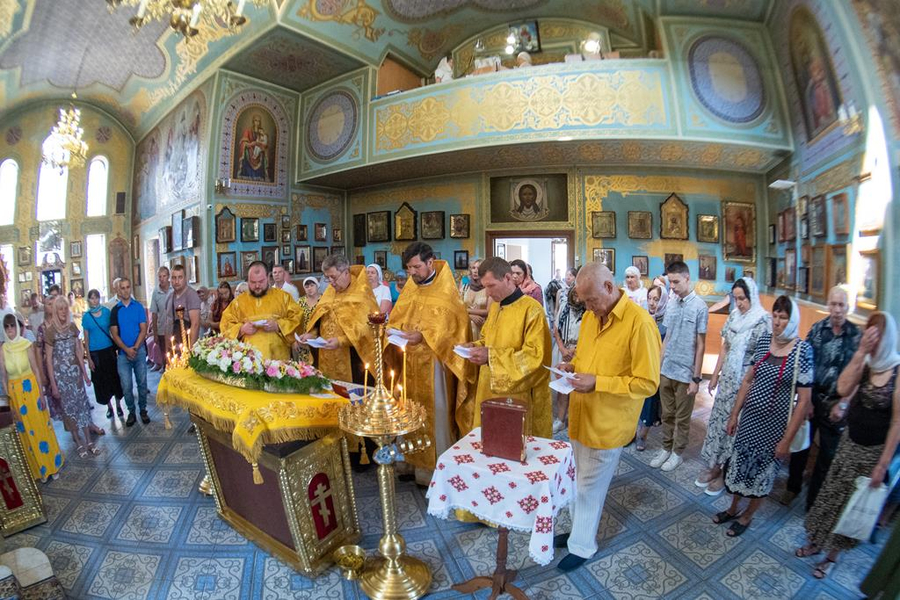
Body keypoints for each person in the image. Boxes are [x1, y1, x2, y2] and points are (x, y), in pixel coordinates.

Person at [554, 263, 661, 571]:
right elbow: (589, 361)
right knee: (576, 481)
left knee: (589, 488)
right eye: (584, 302)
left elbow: (647, 382)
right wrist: (573, 368)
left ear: (610, 288)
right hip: (581, 415)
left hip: (608, 422)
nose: (588, 308)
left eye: (592, 300)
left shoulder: (640, 323)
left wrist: (598, 382)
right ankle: (577, 531)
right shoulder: (590, 318)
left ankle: (583, 546)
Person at [797, 312, 900, 579]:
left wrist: (882, 465)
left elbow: (897, 424)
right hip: (849, 444)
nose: (872, 338)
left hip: (872, 454)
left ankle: (832, 556)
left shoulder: (897, 371)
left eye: (877, 334)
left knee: (848, 507)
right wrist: (860, 353)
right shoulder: (868, 363)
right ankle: (816, 542)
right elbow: (843, 388)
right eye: (869, 332)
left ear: (887, 337)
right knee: (831, 495)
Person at [717, 296, 813, 537]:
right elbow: (748, 380)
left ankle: (748, 515)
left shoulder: (803, 351)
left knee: (762, 474)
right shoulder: (763, 342)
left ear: (792, 320)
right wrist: (734, 415)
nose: (777, 322)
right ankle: (733, 508)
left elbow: (804, 401)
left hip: (775, 428)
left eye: (783, 317)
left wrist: (786, 440)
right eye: (775, 316)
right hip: (750, 420)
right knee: (739, 466)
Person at [389, 242, 473, 485]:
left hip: (436, 364)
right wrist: (393, 331)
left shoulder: (447, 291)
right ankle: (408, 462)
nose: (412, 273)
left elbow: (455, 329)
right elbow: (399, 317)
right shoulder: (411, 289)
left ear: (430, 262)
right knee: (407, 409)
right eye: (408, 269)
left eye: (416, 267)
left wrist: (424, 337)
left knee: (434, 412)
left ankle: (433, 471)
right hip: (409, 361)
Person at [785, 286, 861, 508]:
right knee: (801, 447)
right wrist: (805, 401)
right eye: (833, 304)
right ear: (828, 305)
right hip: (813, 399)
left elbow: (859, 374)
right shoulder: (817, 330)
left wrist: (845, 403)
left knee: (828, 455)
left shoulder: (857, 336)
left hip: (838, 404)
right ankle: (792, 486)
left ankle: (814, 501)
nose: (837, 310)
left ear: (848, 307)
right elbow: (803, 366)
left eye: (841, 305)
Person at [460, 257, 551, 437]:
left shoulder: (532, 310)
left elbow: (535, 356)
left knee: (512, 446)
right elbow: (487, 339)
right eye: (485, 286)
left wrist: (490, 357)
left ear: (508, 278)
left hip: (516, 395)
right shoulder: (495, 307)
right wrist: (474, 346)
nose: (487, 293)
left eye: (491, 286)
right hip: (488, 387)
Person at [697, 278, 770, 496]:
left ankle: (726, 473)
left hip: (745, 385)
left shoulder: (762, 321)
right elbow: (725, 347)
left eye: (742, 298)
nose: (738, 303)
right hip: (727, 384)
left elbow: (762, 360)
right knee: (720, 425)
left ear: (752, 297)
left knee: (734, 429)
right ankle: (715, 466)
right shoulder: (734, 317)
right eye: (736, 298)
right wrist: (715, 375)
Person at [651, 261, 708, 472]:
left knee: (682, 419)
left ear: (687, 278)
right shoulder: (672, 303)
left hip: (686, 373)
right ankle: (666, 448)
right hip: (667, 369)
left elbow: (701, 345)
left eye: (675, 281)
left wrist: (696, 378)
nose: (672, 286)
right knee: (667, 414)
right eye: (669, 281)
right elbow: (667, 338)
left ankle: (677, 453)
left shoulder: (700, 306)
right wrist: (658, 367)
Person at [0, 314, 63, 482]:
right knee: (25, 432)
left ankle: (52, 465)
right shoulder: (3, 349)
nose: (10, 330)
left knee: (40, 427)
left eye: (12, 326)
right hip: (16, 395)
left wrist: (41, 395)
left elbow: (36, 370)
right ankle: (39, 470)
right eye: (7, 327)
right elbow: (4, 377)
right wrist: (9, 402)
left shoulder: (27, 345)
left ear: (17, 327)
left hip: (31, 391)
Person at [299, 255, 378, 384]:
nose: (331, 282)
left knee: (352, 399)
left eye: (333, 277)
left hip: (353, 359)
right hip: (326, 356)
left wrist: (341, 341)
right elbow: (320, 319)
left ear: (346, 272)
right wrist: (312, 334)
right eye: (327, 278)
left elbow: (367, 329)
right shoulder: (330, 291)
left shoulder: (361, 293)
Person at [44, 296, 98, 456]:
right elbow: (48, 360)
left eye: (65, 308)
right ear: (55, 311)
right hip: (61, 379)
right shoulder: (50, 332)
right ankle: (78, 441)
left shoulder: (73, 328)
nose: (62, 311)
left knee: (82, 406)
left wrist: (85, 373)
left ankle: (89, 441)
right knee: (69, 410)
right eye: (59, 308)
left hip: (76, 377)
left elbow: (78, 352)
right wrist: (53, 384)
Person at [220, 262, 302, 361]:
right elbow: (225, 324)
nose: (257, 286)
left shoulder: (283, 297)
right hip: (248, 362)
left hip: (278, 361)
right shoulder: (238, 302)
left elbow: (298, 319)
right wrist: (241, 329)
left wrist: (279, 325)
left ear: (268, 277)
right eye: (253, 282)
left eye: (261, 281)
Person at [109, 278, 150, 427]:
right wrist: (126, 349)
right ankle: (131, 411)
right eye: (122, 288)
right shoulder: (115, 310)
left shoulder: (138, 307)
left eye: (128, 287)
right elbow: (114, 334)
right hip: (123, 354)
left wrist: (135, 348)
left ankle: (143, 409)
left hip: (138, 352)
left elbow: (143, 329)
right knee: (126, 385)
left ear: (130, 288)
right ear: (118, 291)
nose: (126, 290)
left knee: (142, 382)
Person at [81, 289, 125, 420]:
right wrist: (88, 358)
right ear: (89, 300)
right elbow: (86, 339)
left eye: (96, 298)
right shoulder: (87, 317)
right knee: (101, 381)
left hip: (109, 350)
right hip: (95, 353)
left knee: (114, 378)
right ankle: (109, 407)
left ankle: (118, 405)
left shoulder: (106, 312)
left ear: (99, 299)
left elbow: (113, 331)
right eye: (92, 298)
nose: (94, 300)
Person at [636, 283, 668, 451]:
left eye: (656, 299)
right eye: (649, 298)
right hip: (639, 364)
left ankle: (642, 436)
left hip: (656, 367)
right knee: (636, 400)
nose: (652, 303)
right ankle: (632, 432)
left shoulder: (666, 322)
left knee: (650, 402)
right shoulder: (642, 316)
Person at [552, 278, 585, 435]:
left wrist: (576, 350)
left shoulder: (589, 310)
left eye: (580, 295)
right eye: (575, 294)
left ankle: (576, 420)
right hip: (563, 349)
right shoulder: (565, 306)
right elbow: (556, 329)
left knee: (578, 387)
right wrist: (563, 349)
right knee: (561, 387)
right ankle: (560, 419)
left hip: (581, 351)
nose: (577, 298)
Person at [165, 264, 201, 355]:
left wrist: (190, 350)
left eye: (180, 277)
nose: (177, 281)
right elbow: (168, 323)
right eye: (174, 278)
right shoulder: (169, 297)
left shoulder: (191, 295)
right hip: (173, 344)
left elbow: (195, 324)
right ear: (170, 279)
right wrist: (167, 349)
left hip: (187, 343)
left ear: (185, 278)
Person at [148, 267, 172, 372]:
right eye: (160, 276)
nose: (162, 279)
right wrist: (155, 333)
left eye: (164, 276)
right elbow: (154, 313)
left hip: (173, 327)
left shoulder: (174, 289)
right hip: (162, 327)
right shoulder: (156, 292)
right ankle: (165, 367)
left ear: (168, 277)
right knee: (164, 351)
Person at [459, 258, 489, 340]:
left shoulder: (489, 288)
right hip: (465, 327)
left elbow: (489, 311)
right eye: (473, 268)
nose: (475, 271)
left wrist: (467, 310)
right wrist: (470, 315)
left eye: (478, 268)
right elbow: (457, 306)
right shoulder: (465, 286)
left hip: (482, 327)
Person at [294, 277, 321, 364]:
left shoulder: (324, 301)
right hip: (303, 341)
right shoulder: (300, 302)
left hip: (319, 341)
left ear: (317, 286)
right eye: (307, 286)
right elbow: (295, 322)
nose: (309, 288)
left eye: (312, 285)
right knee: (305, 370)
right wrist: (295, 340)